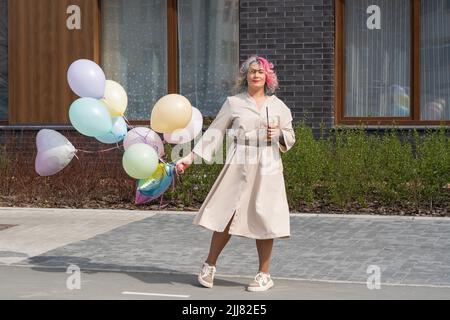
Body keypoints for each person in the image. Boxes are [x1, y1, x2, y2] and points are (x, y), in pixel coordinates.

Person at [175, 55, 296, 292]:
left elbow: (290, 136)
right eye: (252, 71)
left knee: (265, 216)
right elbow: (215, 132)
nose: (256, 75)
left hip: (268, 164)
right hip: (239, 162)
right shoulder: (233, 103)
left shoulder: (279, 106)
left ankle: (264, 274)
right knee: (227, 213)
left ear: (267, 77)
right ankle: (209, 265)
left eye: (260, 72)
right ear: (245, 76)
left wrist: (278, 135)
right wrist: (190, 158)